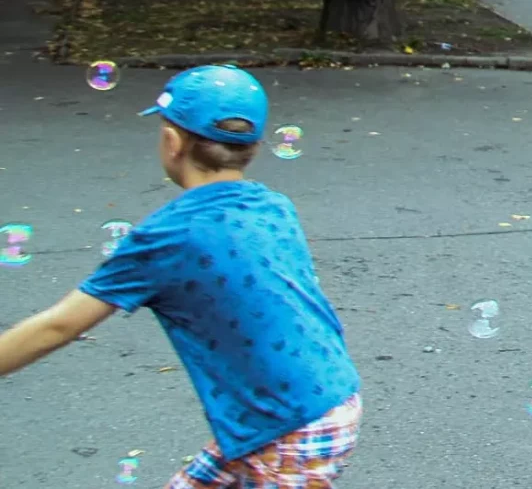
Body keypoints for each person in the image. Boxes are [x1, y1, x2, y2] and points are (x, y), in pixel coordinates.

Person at [0, 66, 364, 485]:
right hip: (322, 398)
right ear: (254, 148)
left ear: (172, 142)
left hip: (289, 430)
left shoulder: (166, 238)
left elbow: (59, 324)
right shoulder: (273, 204)